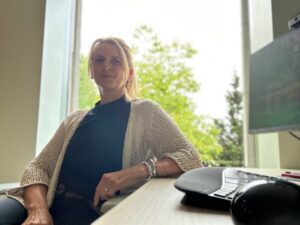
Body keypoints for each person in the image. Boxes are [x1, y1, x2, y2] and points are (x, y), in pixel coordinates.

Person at [0, 37, 202, 225]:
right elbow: (37, 168)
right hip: (42, 205)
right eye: (99, 60)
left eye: (116, 61)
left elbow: (190, 157)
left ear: (130, 73)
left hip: (89, 212)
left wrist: (135, 172)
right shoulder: (74, 120)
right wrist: (38, 211)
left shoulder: (146, 112)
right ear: (91, 71)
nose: (106, 66)